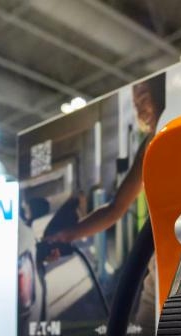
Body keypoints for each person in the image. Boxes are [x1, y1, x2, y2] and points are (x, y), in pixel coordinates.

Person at [44, 75, 165, 245]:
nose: (140, 112)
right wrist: (69, 234)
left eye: (144, 100)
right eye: (136, 105)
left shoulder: (172, 132)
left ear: (159, 94)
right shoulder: (149, 145)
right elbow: (115, 209)